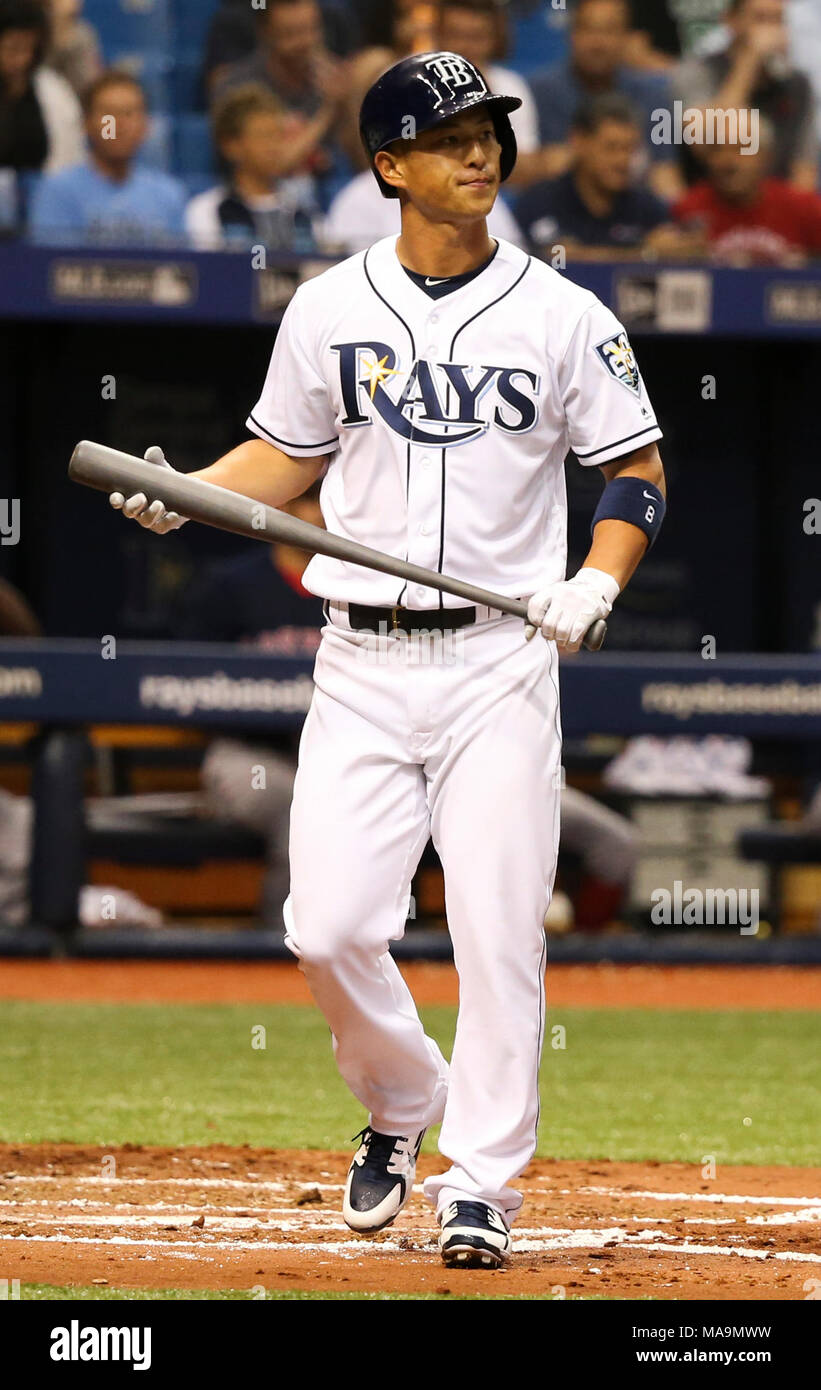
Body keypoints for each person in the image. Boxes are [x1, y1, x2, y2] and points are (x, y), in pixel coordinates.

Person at [108, 49, 667, 1269]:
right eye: (448, 135)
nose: (478, 152)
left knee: (497, 930)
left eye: (488, 131)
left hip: (499, 661)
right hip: (359, 660)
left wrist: (594, 578)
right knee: (328, 927)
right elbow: (280, 462)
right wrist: (185, 493)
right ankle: (403, 1100)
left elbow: (636, 474)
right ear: (388, 165)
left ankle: (482, 1182)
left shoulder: (563, 314)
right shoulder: (329, 305)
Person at [174, 483, 325, 929]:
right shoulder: (231, 585)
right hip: (248, 755)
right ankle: (283, 945)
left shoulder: (358, 589)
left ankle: (380, 944)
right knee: (298, 805)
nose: (313, 514)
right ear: (280, 507)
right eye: (301, 501)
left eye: (320, 501)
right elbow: (181, 678)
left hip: (332, 752)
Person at [528, 0, 682, 199]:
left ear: (626, 38)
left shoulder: (652, 95)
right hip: (562, 207)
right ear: (571, 35)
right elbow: (548, 166)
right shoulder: (540, 91)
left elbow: (664, 174)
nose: (598, 43)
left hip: (635, 211)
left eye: (609, 31)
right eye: (588, 30)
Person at [29, 70, 187, 245]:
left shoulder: (168, 194)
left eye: (129, 113)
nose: (118, 125)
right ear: (86, 123)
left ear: (145, 125)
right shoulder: (59, 191)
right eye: (108, 115)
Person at [674, 0, 818, 190]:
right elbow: (709, 141)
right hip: (712, 199)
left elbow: (804, 168)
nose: (771, 30)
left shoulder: (797, 84)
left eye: (777, 20)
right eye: (760, 19)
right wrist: (751, 59)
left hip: (774, 202)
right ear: (731, 21)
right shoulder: (697, 71)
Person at [515, 93, 673, 259]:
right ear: (578, 142)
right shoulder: (538, 203)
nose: (622, 160)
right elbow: (559, 259)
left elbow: (675, 250)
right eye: (611, 148)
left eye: (630, 149)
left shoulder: (648, 209)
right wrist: (644, 252)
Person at [185, 84, 319, 251]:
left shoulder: (305, 212)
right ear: (231, 146)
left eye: (279, 136)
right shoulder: (208, 210)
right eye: (263, 136)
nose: (274, 146)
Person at [673, 112, 821, 261]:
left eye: (742, 148)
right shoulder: (689, 208)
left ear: (766, 156)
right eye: (717, 150)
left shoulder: (804, 209)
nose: (728, 161)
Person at [436, 0, 539, 158]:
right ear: (438, 36)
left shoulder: (512, 86)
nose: (465, 47)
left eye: (476, 37)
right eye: (455, 35)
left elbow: (526, 159)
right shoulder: (409, 80)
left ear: (494, 40)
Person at [0, 0, 83, 184]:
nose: (21, 60)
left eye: (29, 49)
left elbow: (71, 160)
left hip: (45, 197)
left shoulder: (53, 89)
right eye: (12, 48)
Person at [43, 0, 102, 97]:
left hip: (79, 101)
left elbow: (89, 83)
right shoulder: (35, 30)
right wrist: (61, 23)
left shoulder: (83, 33)